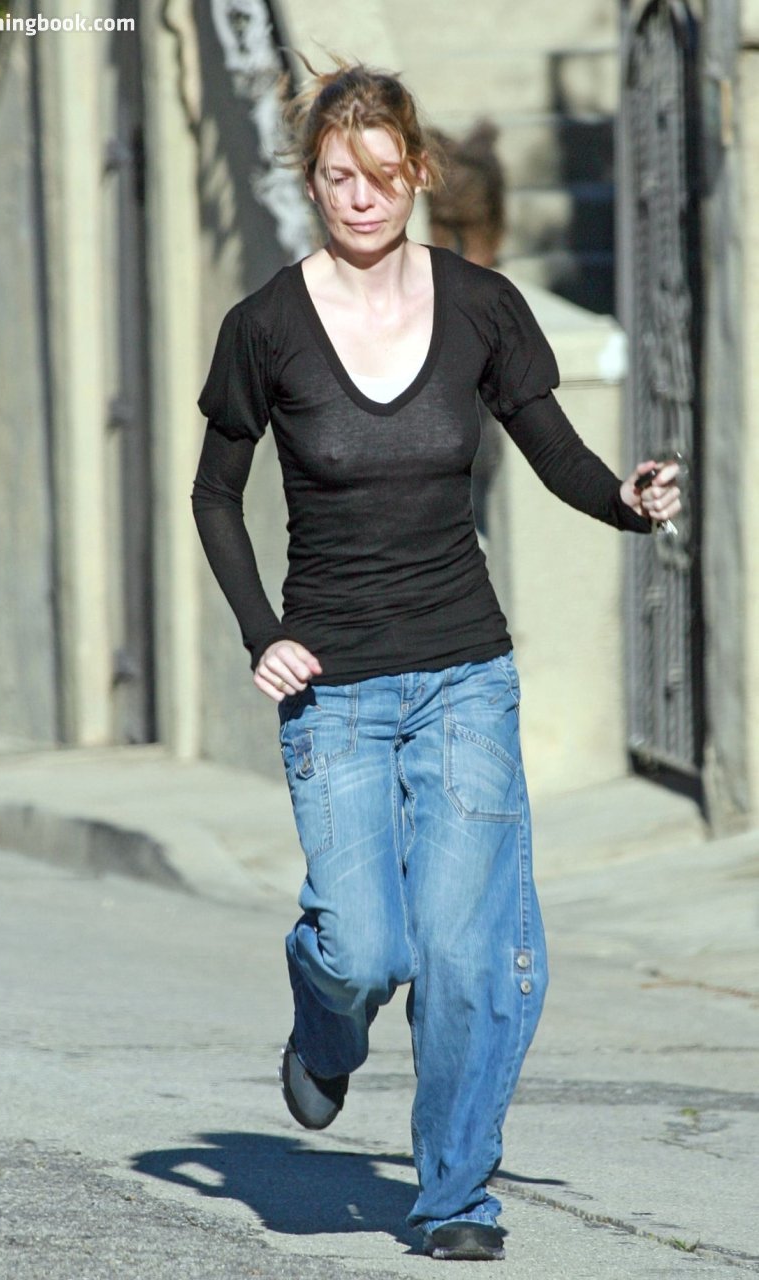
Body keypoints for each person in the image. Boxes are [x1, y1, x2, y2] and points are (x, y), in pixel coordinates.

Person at [192, 60, 681, 1263]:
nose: (359, 197)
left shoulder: (480, 306)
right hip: (334, 687)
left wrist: (624, 501)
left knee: (468, 958)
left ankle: (455, 1193)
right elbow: (214, 493)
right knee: (364, 948)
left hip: (464, 671)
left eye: (379, 173)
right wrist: (262, 632)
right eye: (335, 177)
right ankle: (324, 1024)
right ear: (311, 181)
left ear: (417, 172)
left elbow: (552, 446)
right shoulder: (265, 325)